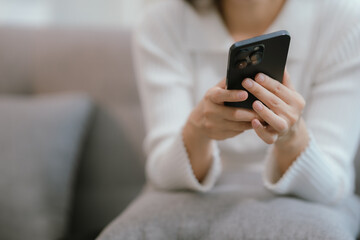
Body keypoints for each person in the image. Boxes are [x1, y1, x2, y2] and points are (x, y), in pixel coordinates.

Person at [98, 0, 360, 239]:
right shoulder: (162, 22)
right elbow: (163, 176)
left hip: (307, 195)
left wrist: (292, 135)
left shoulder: (344, 22)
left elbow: (331, 185)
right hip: (196, 189)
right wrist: (198, 129)